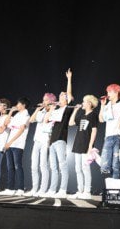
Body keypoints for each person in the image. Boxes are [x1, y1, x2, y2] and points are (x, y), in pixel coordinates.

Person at [44, 68, 75, 198]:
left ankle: (62, 189)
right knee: (53, 167)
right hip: (52, 140)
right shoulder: (56, 110)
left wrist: (69, 79)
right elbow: (46, 120)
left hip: (61, 139)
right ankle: (52, 189)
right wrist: (51, 109)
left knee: (62, 165)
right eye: (60, 96)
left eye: (63, 96)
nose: (61, 97)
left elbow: (69, 93)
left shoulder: (67, 108)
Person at [24, 92, 56, 197]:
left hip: (46, 140)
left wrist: (50, 109)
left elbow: (47, 122)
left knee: (43, 165)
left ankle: (43, 190)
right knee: (33, 166)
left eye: (46, 100)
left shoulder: (54, 111)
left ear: (51, 101)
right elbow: (31, 120)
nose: (43, 102)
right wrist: (37, 109)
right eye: (43, 100)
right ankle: (34, 189)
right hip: (37, 140)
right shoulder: (41, 111)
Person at [0, 97, 30, 195]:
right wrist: (11, 112)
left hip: (18, 144)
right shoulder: (16, 115)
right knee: (10, 167)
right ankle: (10, 188)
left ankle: (20, 188)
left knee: (17, 166)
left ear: (23, 105)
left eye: (18, 103)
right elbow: (6, 123)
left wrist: (10, 142)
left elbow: (21, 130)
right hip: (10, 144)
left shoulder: (26, 115)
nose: (16, 105)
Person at [69, 95, 99, 199]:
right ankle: (80, 191)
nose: (82, 103)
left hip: (86, 144)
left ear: (89, 103)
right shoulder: (82, 115)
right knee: (78, 169)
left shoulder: (93, 115)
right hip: (78, 144)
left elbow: (94, 130)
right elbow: (71, 123)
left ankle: (87, 191)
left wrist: (90, 145)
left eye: (84, 101)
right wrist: (75, 110)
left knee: (85, 168)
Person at [98, 83, 120, 180]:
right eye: (107, 92)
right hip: (108, 136)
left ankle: (116, 184)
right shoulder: (107, 105)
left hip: (118, 135)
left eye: (110, 91)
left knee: (116, 163)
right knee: (105, 163)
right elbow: (101, 119)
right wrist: (102, 106)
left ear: (116, 92)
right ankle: (111, 183)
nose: (108, 94)